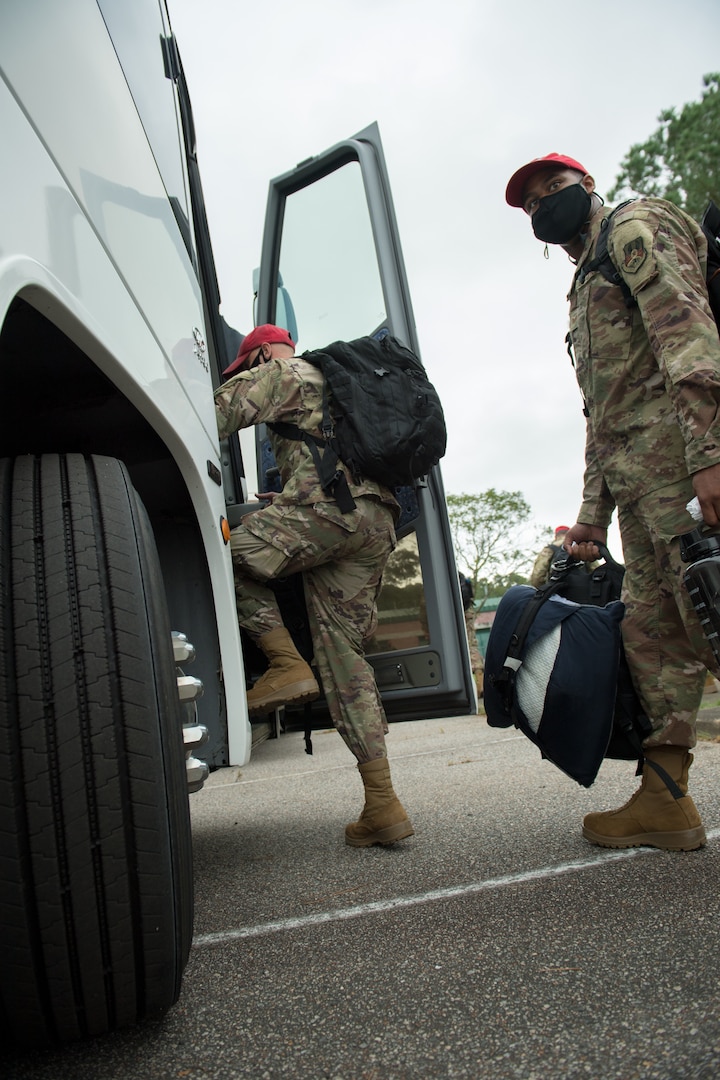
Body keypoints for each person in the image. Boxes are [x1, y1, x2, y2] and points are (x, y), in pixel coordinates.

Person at [505, 151, 720, 851]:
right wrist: (593, 516)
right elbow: (603, 412)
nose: (545, 206)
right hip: (640, 490)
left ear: (588, 186)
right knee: (654, 638)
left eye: (554, 189)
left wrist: (711, 454)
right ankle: (665, 800)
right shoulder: (582, 286)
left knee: (714, 614)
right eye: (532, 203)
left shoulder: (632, 229)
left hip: (685, 470)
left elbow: (685, 335)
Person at [215, 324, 413, 847]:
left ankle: (285, 664)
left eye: (247, 366)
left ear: (258, 353)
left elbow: (211, 415)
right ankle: (383, 804)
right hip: (375, 523)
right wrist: (288, 496)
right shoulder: (338, 382)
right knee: (345, 658)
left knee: (220, 555)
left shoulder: (283, 373)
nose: (250, 373)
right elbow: (327, 460)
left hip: (328, 516)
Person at [459, 572, 484, 697]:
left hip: (452, 613)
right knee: (472, 646)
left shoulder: (441, 574)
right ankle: (481, 684)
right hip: (467, 611)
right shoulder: (461, 576)